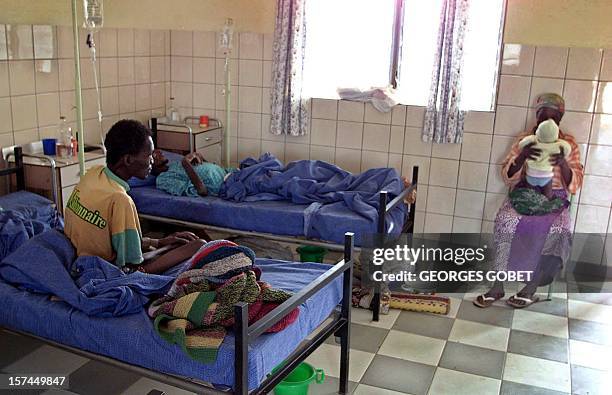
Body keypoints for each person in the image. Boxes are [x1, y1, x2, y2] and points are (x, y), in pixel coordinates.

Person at [474, 93, 583, 308]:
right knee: (506, 221)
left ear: (560, 119)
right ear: (537, 116)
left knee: (556, 230)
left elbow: (576, 183)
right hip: (524, 194)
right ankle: (497, 286)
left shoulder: (568, 143)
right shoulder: (525, 139)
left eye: (553, 118)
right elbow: (507, 176)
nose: (548, 122)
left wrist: (562, 164)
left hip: (554, 199)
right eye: (543, 116)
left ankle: (530, 288)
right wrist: (522, 156)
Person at [64, 119, 205, 274]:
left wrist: (159, 242)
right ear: (128, 160)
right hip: (112, 270)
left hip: (81, 257)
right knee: (198, 244)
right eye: (149, 155)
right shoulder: (121, 200)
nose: (152, 160)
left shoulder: (93, 174)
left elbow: (111, 240)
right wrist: (162, 250)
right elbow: (131, 262)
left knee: (175, 244)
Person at [153, 150, 235, 197]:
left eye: (158, 150)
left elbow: (205, 169)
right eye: (154, 154)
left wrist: (202, 158)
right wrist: (185, 163)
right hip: (225, 185)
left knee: (247, 164)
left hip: (227, 173)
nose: (160, 152)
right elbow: (202, 191)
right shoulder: (162, 179)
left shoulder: (173, 164)